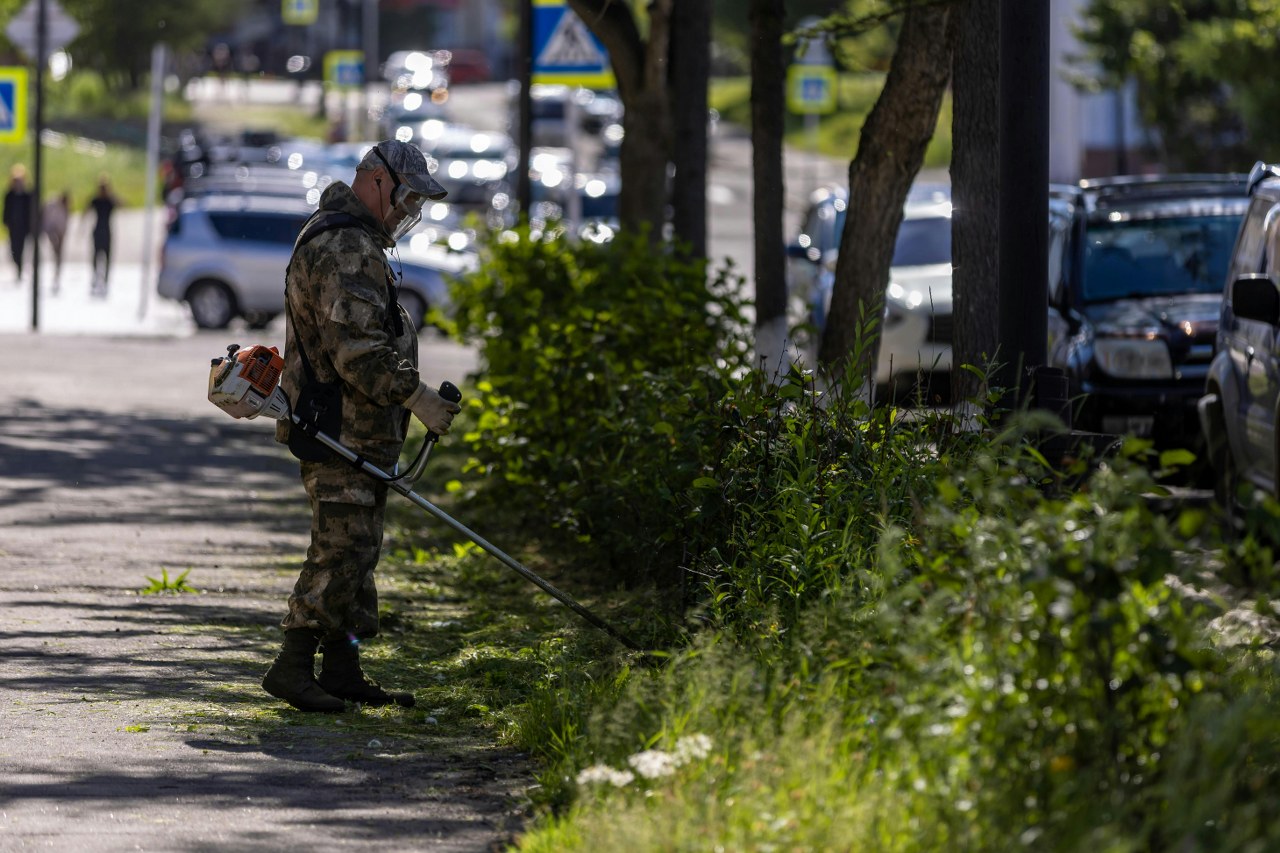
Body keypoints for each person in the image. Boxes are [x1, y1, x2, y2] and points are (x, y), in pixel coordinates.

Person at [261, 140, 460, 713]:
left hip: (359, 431)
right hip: (338, 430)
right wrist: (417, 396)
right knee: (338, 551)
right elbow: (358, 351)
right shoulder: (345, 245)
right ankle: (292, 666)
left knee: (359, 554)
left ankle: (343, 668)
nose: (409, 211)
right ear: (376, 182)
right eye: (407, 197)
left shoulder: (356, 238)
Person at [88, 175, 118, 296]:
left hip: (107, 231)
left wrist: (112, 195)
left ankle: (105, 281)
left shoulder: (110, 201)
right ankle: (95, 278)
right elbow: (86, 209)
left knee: (107, 258)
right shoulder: (96, 200)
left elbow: (122, 204)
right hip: (97, 231)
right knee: (95, 257)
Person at [3, 164, 32, 283]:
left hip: (23, 227)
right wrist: (5, 221)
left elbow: (30, 211)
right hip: (13, 226)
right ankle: (17, 265)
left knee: (21, 248)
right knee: (13, 248)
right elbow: (6, 210)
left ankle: (20, 269)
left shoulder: (26, 195)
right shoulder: (9, 195)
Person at [41, 191, 70, 293]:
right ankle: (56, 271)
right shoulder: (52, 205)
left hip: (59, 232)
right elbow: (46, 217)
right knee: (56, 252)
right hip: (51, 230)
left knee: (59, 254)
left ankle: (57, 273)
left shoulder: (65, 208)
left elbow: (65, 223)